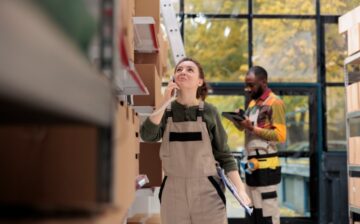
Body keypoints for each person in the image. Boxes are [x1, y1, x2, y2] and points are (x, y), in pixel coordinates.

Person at [140, 57, 251, 224]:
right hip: (173, 190)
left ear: (200, 81)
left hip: (207, 189)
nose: (183, 71)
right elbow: (147, 135)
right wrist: (164, 101)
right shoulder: (166, 111)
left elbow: (224, 156)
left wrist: (241, 190)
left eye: (189, 69)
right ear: (173, 78)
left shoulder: (209, 111)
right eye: (179, 69)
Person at [233, 66, 286, 224]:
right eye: (246, 85)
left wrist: (252, 127)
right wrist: (239, 121)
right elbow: (247, 130)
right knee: (253, 211)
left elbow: (280, 136)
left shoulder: (275, 103)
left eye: (251, 85)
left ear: (263, 82)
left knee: (267, 214)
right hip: (251, 166)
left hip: (266, 169)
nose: (247, 89)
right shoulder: (252, 104)